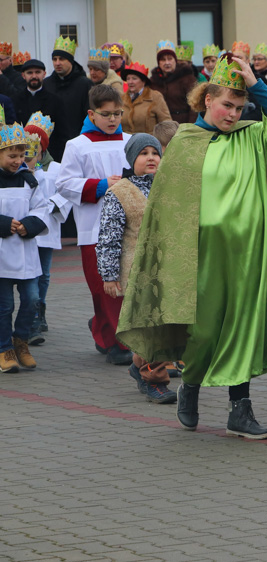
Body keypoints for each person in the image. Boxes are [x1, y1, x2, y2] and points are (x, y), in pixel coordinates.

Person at [116, 53, 267, 439]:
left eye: (239, 107)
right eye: (227, 105)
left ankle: (240, 408)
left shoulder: (254, 137)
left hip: (249, 256)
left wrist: (255, 84)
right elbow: (169, 211)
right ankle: (191, 388)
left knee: (244, 329)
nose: (233, 114)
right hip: (200, 258)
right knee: (202, 333)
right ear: (207, 101)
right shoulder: (185, 143)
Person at [96, 134, 177, 404]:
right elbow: (108, 236)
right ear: (132, 160)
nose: (151, 157)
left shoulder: (169, 187)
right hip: (136, 272)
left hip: (169, 269)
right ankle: (153, 378)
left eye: (155, 152)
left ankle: (141, 365)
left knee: (167, 324)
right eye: (143, 153)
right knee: (150, 327)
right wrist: (108, 275)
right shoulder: (120, 192)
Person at [56, 84, 132, 364]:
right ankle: (115, 342)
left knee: (126, 285)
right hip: (94, 227)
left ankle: (111, 333)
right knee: (103, 286)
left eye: (117, 113)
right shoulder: (77, 145)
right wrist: (101, 185)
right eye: (106, 114)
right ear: (91, 113)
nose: (112, 119)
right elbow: (64, 183)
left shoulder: (132, 140)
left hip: (129, 225)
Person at [0, 121, 48, 373]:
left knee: (32, 298)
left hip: (25, 251)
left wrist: (29, 225)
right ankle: (4, 347)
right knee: (4, 305)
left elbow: (42, 208)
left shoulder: (29, 180)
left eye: (21, 156)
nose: (17, 160)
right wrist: (4, 223)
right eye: (11, 156)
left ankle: (21, 341)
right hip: (2, 255)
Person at [23, 112, 67, 345]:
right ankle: (30, 313)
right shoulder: (20, 170)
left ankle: (40, 309)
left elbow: (65, 195)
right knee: (28, 271)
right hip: (25, 229)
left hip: (47, 227)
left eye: (36, 145)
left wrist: (49, 207)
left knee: (44, 272)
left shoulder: (57, 169)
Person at [43, 37, 93, 161]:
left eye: (62, 59)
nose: (57, 63)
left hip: (77, 143)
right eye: (54, 59)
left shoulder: (85, 84)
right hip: (51, 147)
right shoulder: (46, 84)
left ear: (70, 61)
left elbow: (90, 115)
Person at [11, 60, 62, 146]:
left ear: (44, 74)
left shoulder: (55, 101)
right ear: (23, 75)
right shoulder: (15, 100)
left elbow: (61, 132)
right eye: (29, 73)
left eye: (38, 72)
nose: (34, 76)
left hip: (47, 153)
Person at [149, 41, 197, 124]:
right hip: (161, 126)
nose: (167, 62)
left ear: (175, 60)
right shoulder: (153, 81)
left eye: (170, 59)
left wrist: (190, 126)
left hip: (183, 125)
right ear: (159, 63)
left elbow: (195, 105)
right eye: (163, 60)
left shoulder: (187, 78)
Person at [120, 62, 171, 135]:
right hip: (127, 144)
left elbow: (166, 123)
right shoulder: (121, 99)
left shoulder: (155, 97)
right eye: (128, 79)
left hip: (148, 143)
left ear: (143, 82)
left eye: (134, 79)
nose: (130, 82)